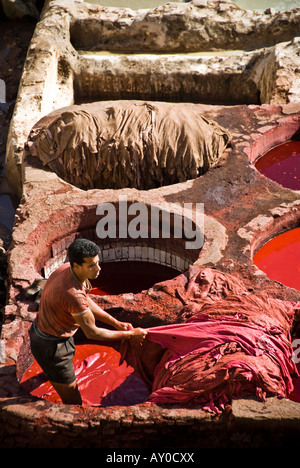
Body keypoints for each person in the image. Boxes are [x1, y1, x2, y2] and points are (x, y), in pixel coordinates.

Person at [29, 238, 148, 405]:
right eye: (91, 265)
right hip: (52, 346)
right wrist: (129, 335)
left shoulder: (66, 270)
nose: (98, 269)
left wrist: (114, 321)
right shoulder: (73, 295)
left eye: (97, 263)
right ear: (76, 265)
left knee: (53, 371)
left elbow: (85, 299)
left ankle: (52, 372)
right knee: (73, 401)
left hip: (46, 331)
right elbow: (92, 332)